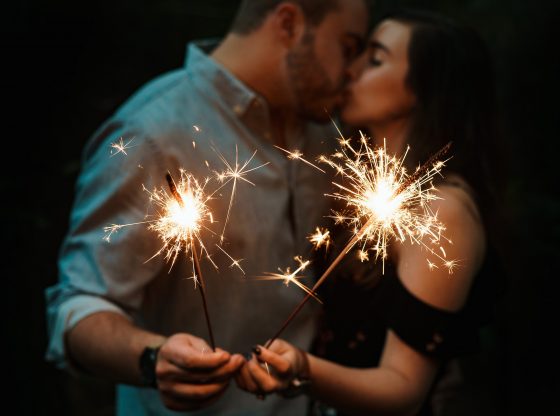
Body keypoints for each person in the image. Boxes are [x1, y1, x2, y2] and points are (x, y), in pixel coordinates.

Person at [45, 1, 368, 415]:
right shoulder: (153, 132)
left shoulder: (326, 134)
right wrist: (152, 358)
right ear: (288, 23)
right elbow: (77, 308)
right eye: (348, 46)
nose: (353, 70)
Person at [235, 8, 505, 415]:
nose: (349, 70)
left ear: (425, 89)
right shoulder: (364, 179)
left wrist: (303, 369)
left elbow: (403, 391)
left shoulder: (440, 210)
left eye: (375, 59)